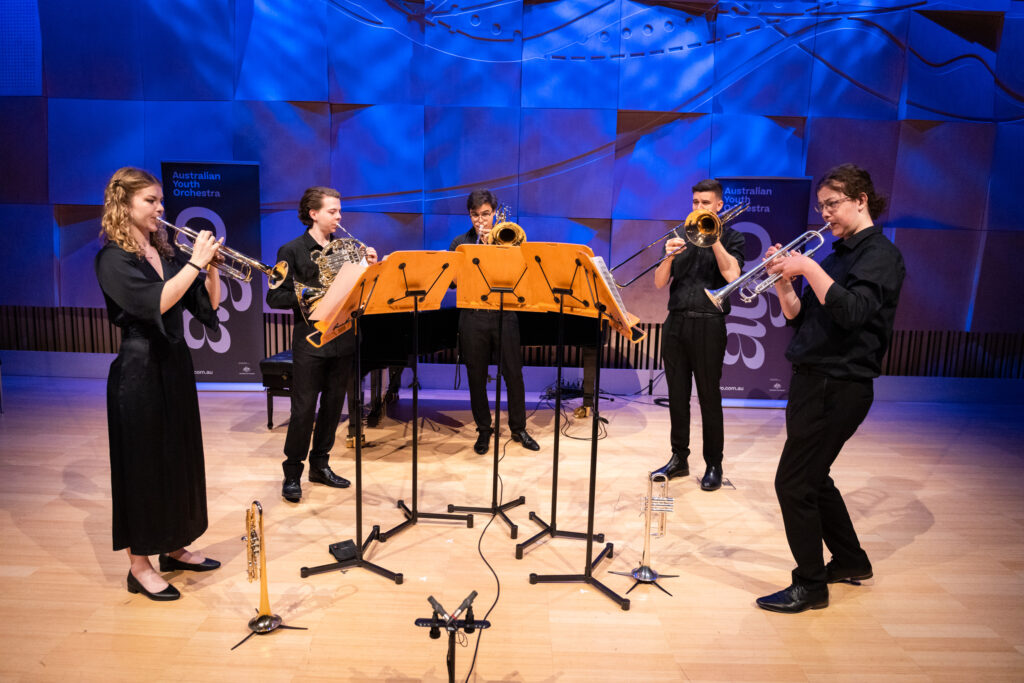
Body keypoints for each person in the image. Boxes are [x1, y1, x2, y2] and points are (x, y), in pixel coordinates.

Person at [755, 164, 905, 613]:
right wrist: (785, 283)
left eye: (833, 204)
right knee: (814, 479)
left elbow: (855, 311)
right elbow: (804, 321)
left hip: (838, 384)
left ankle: (810, 584)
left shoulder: (880, 254)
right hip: (813, 379)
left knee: (793, 483)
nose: (826, 214)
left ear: (861, 199)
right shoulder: (837, 255)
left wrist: (807, 267)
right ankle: (851, 560)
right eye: (822, 206)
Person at [94, 167, 223, 602]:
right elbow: (157, 302)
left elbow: (204, 307)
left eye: (160, 200)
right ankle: (139, 566)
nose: (160, 208)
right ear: (125, 204)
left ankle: (174, 546)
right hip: (139, 370)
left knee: (178, 458)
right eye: (151, 200)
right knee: (144, 468)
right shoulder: (113, 258)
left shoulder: (164, 253)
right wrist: (194, 263)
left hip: (174, 365)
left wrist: (211, 271)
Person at [267, 186, 378, 503]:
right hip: (311, 342)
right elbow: (274, 296)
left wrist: (369, 266)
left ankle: (320, 465)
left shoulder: (347, 249)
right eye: (333, 211)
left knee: (332, 408)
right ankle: (292, 473)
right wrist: (311, 296)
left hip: (343, 339)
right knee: (303, 411)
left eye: (340, 211)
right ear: (313, 213)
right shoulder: (291, 250)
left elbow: (358, 291)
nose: (339, 217)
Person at [651, 179, 745, 491]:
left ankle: (714, 464)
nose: (698, 208)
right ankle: (679, 458)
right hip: (676, 323)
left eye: (705, 203)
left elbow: (733, 275)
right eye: (695, 203)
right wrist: (667, 257)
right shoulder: (679, 235)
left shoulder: (733, 237)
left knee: (708, 396)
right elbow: (659, 283)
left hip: (709, 323)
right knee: (677, 396)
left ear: (719, 205)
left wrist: (714, 237)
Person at [449, 189, 540, 454]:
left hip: (505, 315)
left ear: (495, 213)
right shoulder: (460, 243)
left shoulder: (509, 239)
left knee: (514, 374)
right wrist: (479, 248)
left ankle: (518, 428)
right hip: (473, 316)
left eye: (486, 214)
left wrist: (494, 247)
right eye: (475, 215)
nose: (481, 220)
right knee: (475, 377)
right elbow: (454, 282)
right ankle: (484, 430)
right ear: (470, 215)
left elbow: (522, 274)